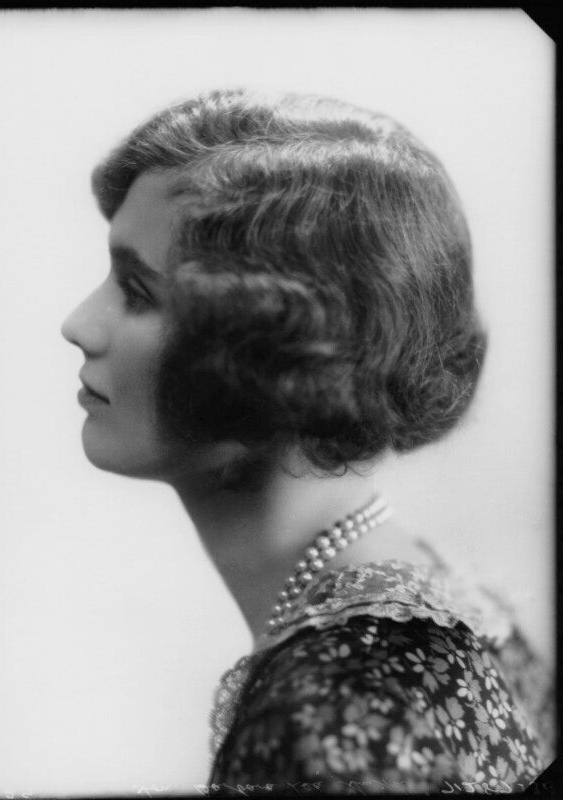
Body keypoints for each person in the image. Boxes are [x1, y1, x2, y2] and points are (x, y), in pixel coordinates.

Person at [61, 89, 553, 794]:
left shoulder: (319, 722)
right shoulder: (442, 601)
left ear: (273, 352)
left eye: (138, 292)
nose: (79, 324)